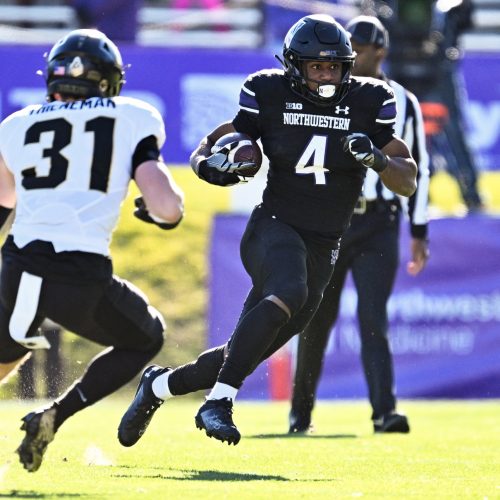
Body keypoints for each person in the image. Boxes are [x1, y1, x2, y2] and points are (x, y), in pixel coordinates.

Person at [118, 13, 417, 447]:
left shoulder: (370, 99)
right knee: (287, 293)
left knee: (243, 351)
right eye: (317, 66)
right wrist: (209, 166)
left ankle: (158, 387)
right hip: (274, 226)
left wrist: (378, 160)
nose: (326, 74)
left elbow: (407, 178)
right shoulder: (268, 90)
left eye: (334, 66)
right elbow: (220, 139)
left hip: (325, 243)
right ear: (295, 66)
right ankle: (219, 403)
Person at [0, 29, 184, 472]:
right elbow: (167, 208)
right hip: (78, 276)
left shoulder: (16, 125)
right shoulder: (133, 116)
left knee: (5, 355)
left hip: (18, 266)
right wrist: (158, 211)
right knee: (146, 337)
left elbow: (2, 202)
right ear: (108, 80)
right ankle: (54, 415)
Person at [288, 15, 430, 435]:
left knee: (373, 318)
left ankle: (384, 412)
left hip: (378, 222)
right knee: (314, 317)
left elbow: (415, 166)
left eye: (358, 48)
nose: (347, 56)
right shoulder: (326, 94)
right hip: (330, 218)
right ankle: (301, 414)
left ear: (379, 51)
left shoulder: (403, 100)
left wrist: (419, 230)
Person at [385, 0, 482, 211]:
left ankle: (472, 195)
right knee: (399, 130)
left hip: (438, 68)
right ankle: (407, 193)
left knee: (453, 133)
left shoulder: (447, 8)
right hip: (403, 66)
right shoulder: (389, 7)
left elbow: (466, 17)